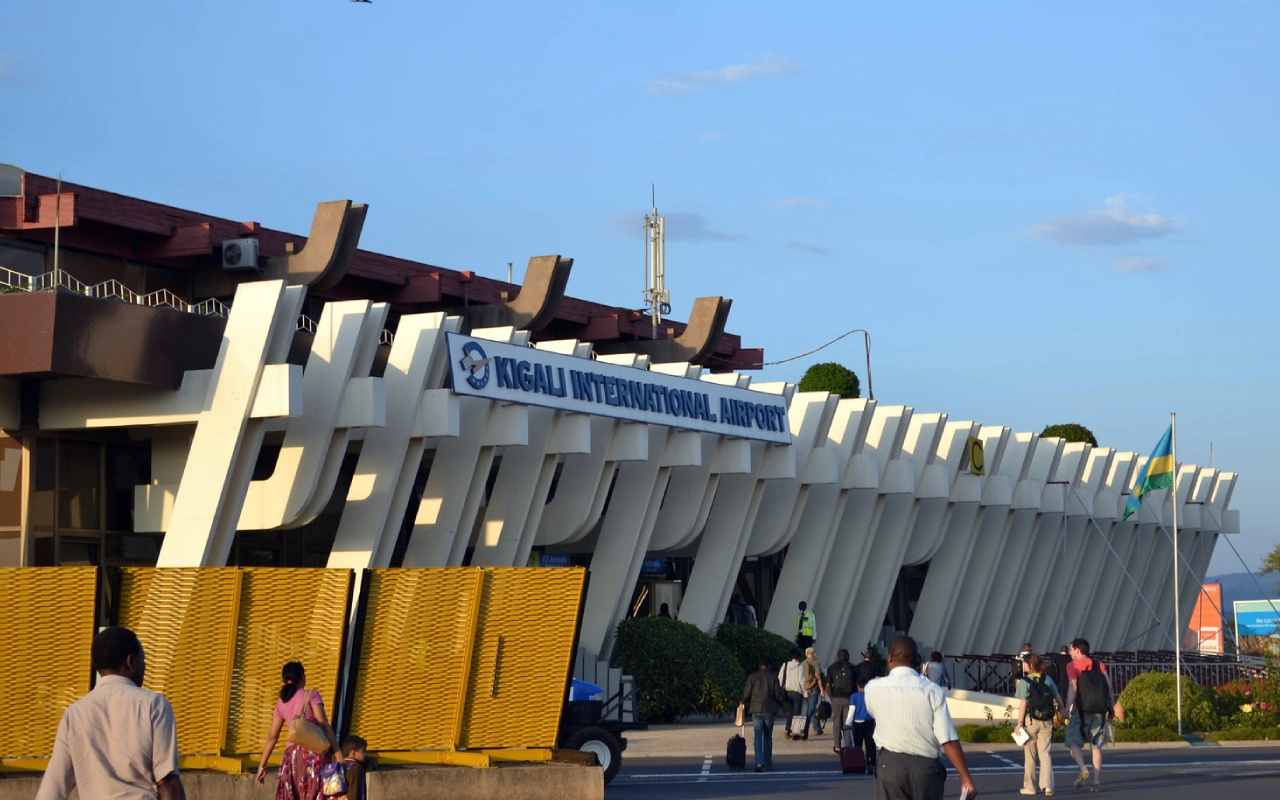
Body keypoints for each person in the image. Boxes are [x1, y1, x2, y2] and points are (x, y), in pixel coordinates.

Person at [36, 627, 186, 800]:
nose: (144, 666)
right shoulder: (154, 705)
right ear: (130, 661)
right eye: (143, 659)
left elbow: (54, 787)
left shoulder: (74, 714)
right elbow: (167, 782)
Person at [863, 636, 977, 800]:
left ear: (889, 658)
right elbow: (948, 739)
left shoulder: (872, 688)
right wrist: (965, 777)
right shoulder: (932, 690)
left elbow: (874, 713)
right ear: (916, 659)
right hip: (926, 768)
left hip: (890, 766)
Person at [256, 661, 342, 799]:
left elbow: (272, 737)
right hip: (314, 754)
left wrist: (262, 765)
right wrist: (339, 755)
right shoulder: (312, 695)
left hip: (292, 758)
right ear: (302, 677)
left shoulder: (281, 702)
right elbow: (324, 725)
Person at [1064, 638, 1113, 793]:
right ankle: (1096, 781)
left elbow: (1073, 687)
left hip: (1081, 709)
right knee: (1096, 746)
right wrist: (1111, 708)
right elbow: (1109, 687)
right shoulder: (1099, 665)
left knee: (1073, 743)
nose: (1070, 652)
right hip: (1100, 709)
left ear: (1077, 649)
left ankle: (1083, 768)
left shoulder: (1072, 666)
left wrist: (1067, 708)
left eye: (1071, 649)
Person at [1013, 653, 1064, 796]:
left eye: (1024, 663)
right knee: (1045, 753)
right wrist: (1063, 710)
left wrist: (1019, 723)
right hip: (1047, 720)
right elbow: (1057, 696)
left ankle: (1030, 787)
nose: (1023, 666)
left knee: (1030, 756)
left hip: (1031, 721)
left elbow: (1023, 704)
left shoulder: (1024, 682)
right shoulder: (1047, 679)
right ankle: (1047, 786)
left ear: (1030, 665)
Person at [741, 656, 788, 772]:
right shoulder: (773, 677)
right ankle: (768, 763)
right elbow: (778, 695)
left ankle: (758, 763)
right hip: (769, 709)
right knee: (768, 737)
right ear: (770, 665)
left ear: (759, 665)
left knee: (757, 736)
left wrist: (742, 701)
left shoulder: (752, 677)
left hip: (756, 709)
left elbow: (746, 694)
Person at [843, 676, 877, 773]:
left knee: (858, 745)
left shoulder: (854, 696)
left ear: (858, 686)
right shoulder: (871, 696)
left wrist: (847, 723)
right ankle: (872, 764)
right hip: (870, 721)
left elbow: (851, 711)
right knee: (870, 744)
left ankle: (859, 763)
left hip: (858, 722)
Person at [826, 648, 857, 754]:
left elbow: (828, 685)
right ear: (848, 656)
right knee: (847, 722)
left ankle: (837, 746)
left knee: (836, 723)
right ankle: (848, 745)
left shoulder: (832, 668)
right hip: (849, 698)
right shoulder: (853, 668)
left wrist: (832, 697)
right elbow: (856, 685)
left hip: (836, 697)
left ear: (838, 656)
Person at [778, 649, 806, 736]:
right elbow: (801, 680)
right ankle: (795, 731)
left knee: (790, 711)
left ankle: (787, 729)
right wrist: (805, 691)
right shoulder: (800, 667)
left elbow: (780, 678)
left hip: (786, 691)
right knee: (797, 712)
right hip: (797, 691)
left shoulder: (785, 665)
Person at [330, 735, 367, 800]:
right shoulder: (356, 768)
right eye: (363, 751)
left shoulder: (339, 765)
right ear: (353, 753)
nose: (366, 754)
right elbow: (354, 791)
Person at [802, 646, 828, 736]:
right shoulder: (816, 663)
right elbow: (818, 676)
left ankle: (817, 729)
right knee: (811, 710)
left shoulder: (802, 663)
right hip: (814, 688)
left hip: (805, 689)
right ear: (813, 654)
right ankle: (805, 727)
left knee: (811, 708)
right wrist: (822, 689)